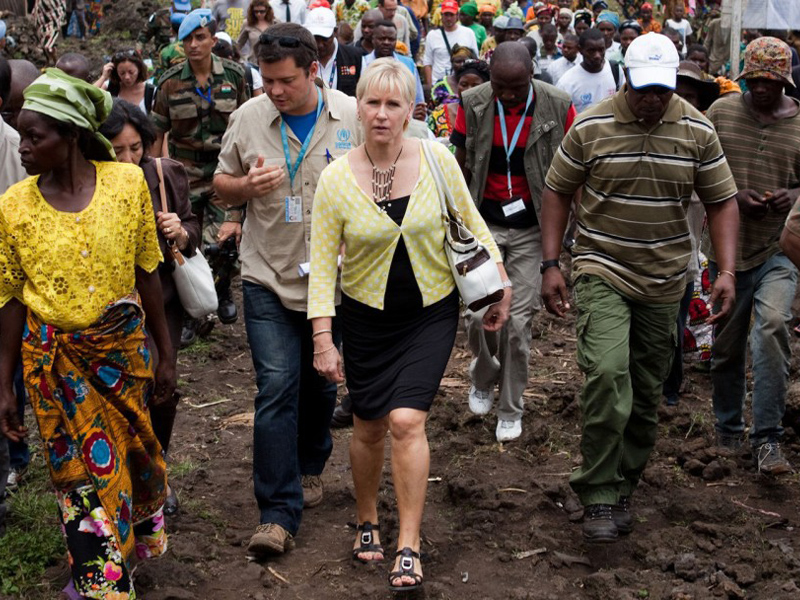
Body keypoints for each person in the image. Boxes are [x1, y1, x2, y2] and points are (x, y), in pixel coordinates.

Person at [308, 57, 509, 592]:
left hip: (430, 312)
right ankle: (368, 518)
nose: (380, 114)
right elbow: (323, 268)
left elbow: (471, 223)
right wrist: (323, 339)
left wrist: (499, 286)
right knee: (370, 424)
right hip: (365, 318)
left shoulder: (437, 159)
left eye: (393, 104)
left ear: (410, 110)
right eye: (371, 102)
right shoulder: (334, 178)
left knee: (405, 421)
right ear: (359, 107)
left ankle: (409, 543)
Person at [540, 32, 739, 543]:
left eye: (662, 90)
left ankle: (625, 479)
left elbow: (720, 202)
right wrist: (551, 263)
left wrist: (724, 271)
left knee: (648, 391)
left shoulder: (697, 130)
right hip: (602, 266)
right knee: (608, 374)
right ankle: (599, 492)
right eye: (643, 88)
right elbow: (558, 189)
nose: (652, 99)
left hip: (666, 277)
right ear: (625, 77)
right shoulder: (593, 126)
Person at [0, 67, 173, 599]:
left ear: (71, 136)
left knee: (129, 460)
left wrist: (166, 355)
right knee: (75, 476)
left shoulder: (125, 187)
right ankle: (97, 581)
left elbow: (148, 272)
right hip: (52, 366)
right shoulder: (14, 205)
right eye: (21, 134)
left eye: (36, 136)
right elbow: (8, 297)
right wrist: (3, 384)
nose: (23, 147)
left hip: (120, 358)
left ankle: (119, 556)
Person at [213, 21, 362, 558]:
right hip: (267, 274)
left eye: (285, 81)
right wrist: (243, 188)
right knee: (276, 386)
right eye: (266, 79)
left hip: (337, 283)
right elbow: (220, 182)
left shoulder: (353, 117)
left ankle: (310, 463)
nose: (274, 90)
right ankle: (277, 512)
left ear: (314, 71)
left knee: (321, 386)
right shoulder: (248, 118)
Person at [452, 42, 575, 442]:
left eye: (517, 88)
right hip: (483, 223)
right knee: (478, 314)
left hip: (532, 228)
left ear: (532, 75)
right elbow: (459, 163)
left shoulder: (558, 105)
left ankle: (510, 407)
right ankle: (483, 373)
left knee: (518, 324)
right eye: (500, 86)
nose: (507, 96)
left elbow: (574, 166)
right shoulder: (472, 103)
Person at [98, 99, 202, 516]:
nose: (127, 157)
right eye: (116, 149)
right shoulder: (91, 182)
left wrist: (181, 231)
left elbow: (194, 226)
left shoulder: (166, 174)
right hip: (110, 303)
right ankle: (121, 474)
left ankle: (157, 470)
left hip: (161, 299)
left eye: (135, 148)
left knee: (161, 384)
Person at [705, 37, 800, 476]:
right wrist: (730, 196)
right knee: (726, 348)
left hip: (778, 249)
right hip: (727, 252)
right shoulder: (722, 113)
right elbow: (697, 163)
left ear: (785, 82)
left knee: (773, 328)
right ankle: (727, 428)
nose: (760, 89)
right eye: (754, 81)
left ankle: (767, 441)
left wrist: (793, 194)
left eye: (770, 82)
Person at [151, 9, 250, 345]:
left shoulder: (236, 76)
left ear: (213, 37)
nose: (193, 45)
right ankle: (193, 311)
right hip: (185, 175)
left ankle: (220, 290)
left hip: (225, 171)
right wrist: (152, 174)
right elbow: (156, 132)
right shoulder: (168, 82)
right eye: (187, 40)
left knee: (224, 243)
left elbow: (248, 124)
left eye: (200, 37)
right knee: (185, 242)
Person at [662, 60, 720, 407]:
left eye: (690, 96)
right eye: (676, 94)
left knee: (678, 314)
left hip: (684, 249)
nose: (682, 102)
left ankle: (670, 387)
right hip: (644, 247)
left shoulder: (705, 136)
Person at [556, 28, 621, 113]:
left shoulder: (615, 70)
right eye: (591, 51)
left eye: (601, 50)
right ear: (580, 50)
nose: (597, 55)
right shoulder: (567, 83)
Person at [428, 58, 490, 147]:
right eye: (464, 85)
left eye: (475, 86)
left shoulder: (492, 116)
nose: (468, 90)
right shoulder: (439, 114)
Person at [363, 20, 425, 106]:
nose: (386, 42)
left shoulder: (408, 64)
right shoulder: (363, 63)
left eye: (391, 39)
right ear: (373, 39)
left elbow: (417, 98)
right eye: (382, 39)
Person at [306, 7, 363, 97]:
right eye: (315, 39)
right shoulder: (301, 57)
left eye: (325, 39)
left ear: (335, 32)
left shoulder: (354, 56)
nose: (320, 45)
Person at [423, 0, 479, 87]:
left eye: (452, 15)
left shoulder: (468, 33)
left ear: (457, 16)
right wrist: (430, 86)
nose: (449, 18)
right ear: (441, 16)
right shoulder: (432, 35)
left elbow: (475, 60)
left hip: (462, 84)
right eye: (446, 14)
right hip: (439, 84)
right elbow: (427, 63)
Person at [94, 50, 156, 114]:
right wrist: (103, 77)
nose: (127, 77)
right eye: (122, 73)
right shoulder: (110, 87)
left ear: (139, 69)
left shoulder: (151, 92)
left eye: (131, 72)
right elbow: (87, 97)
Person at [237, 0, 275, 64]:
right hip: (254, 62)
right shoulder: (247, 24)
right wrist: (239, 58)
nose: (259, 14)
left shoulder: (275, 23)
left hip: (272, 62)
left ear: (267, 10)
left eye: (262, 11)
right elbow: (239, 44)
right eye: (256, 11)